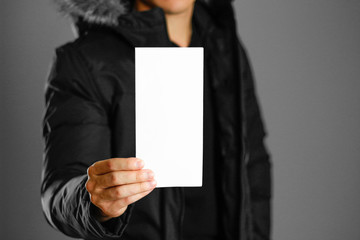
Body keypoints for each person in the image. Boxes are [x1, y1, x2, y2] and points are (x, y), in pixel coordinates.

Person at [41, 0, 272, 239]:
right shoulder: (85, 61)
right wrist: (92, 199)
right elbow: (59, 190)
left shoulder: (225, 48)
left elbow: (253, 162)